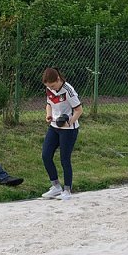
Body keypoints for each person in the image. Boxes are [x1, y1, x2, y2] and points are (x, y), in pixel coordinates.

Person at [40, 67, 83, 200]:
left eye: (53, 86)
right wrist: (49, 115)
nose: (51, 88)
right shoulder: (49, 89)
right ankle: (56, 186)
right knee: (46, 155)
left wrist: (69, 122)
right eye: (48, 86)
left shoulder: (68, 91)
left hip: (69, 130)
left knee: (65, 159)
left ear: (58, 79)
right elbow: (49, 104)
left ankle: (67, 190)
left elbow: (79, 110)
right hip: (54, 127)